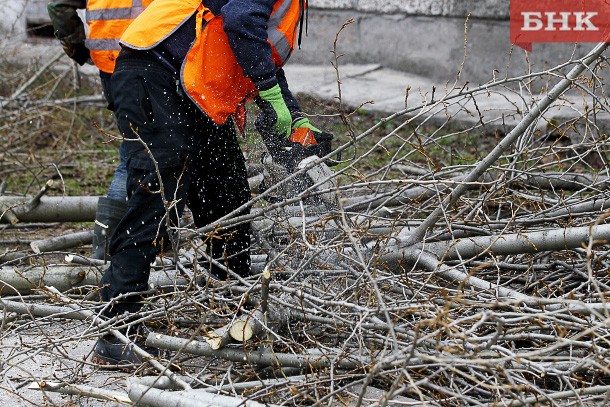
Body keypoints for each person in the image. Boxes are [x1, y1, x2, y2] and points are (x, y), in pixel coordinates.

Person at [90, 0, 331, 370]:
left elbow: (254, 51)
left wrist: (291, 114)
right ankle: (116, 328)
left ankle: (229, 301)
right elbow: (239, 20)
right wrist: (268, 90)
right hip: (154, 72)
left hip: (192, 86)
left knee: (227, 195)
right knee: (158, 200)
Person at [47, 0, 153, 261]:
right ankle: (110, 245)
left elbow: (59, 6)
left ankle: (135, 237)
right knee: (137, 150)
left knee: (138, 147)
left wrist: (77, 47)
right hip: (147, 55)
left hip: (110, 62)